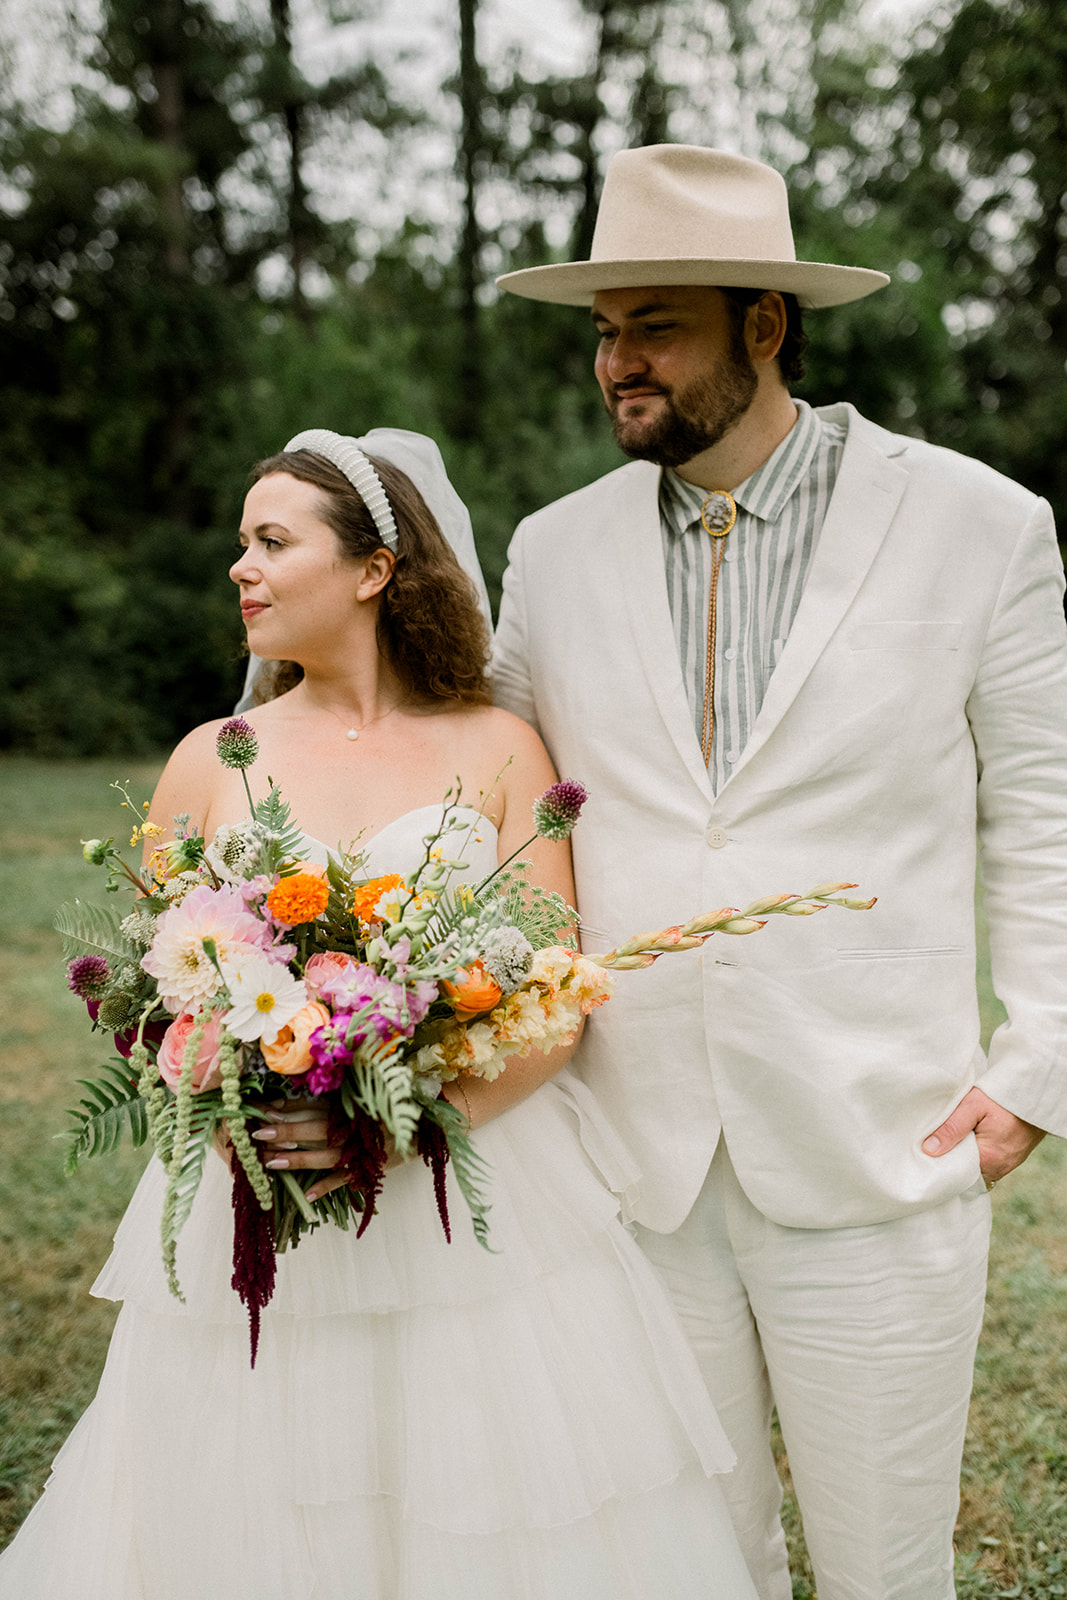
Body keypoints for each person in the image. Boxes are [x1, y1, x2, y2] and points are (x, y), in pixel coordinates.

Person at [0, 426, 760, 1599]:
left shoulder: (500, 748)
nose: (239, 569)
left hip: (472, 1189)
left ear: (373, 567)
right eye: (237, 545)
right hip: (265, 1194)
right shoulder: (212, 756)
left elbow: (557, 1002)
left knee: (489, 1503)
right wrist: (240, 1110)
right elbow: (157, 1007)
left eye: (270, 541)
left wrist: (397, 1123)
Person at [490, 144, 1067, 1600]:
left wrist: (1032, 1071)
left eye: (657, 326)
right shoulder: (551, 555)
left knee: (883, 1571)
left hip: (877, 1142)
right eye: (605, 331)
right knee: (680, 1563)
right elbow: (488, 807)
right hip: (631, 1159)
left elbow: (1046, 810)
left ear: (765, 325)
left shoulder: (977, 527)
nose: (618, 363)